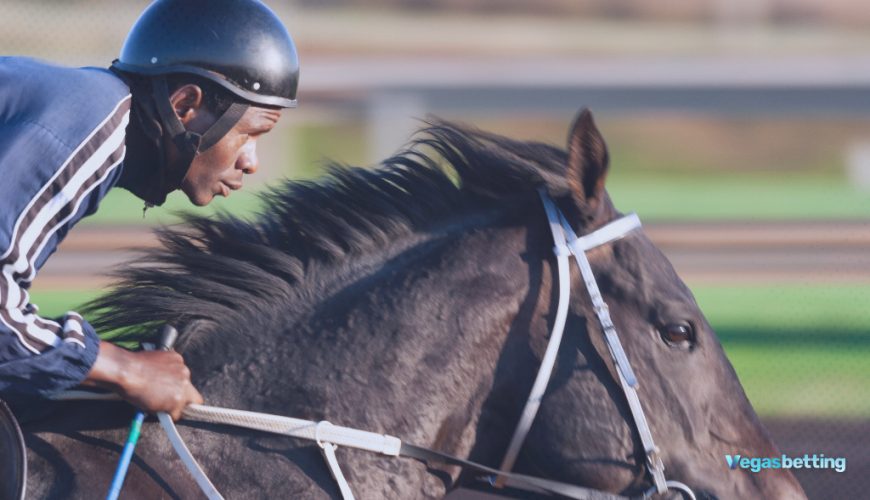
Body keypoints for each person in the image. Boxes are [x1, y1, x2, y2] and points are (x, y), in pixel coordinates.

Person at [0, 0, 299, 422]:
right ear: (184, 107)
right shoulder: (91, 121)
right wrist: (126, 370)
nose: (252, 162)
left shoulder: (86, 106)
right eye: (251, 133)